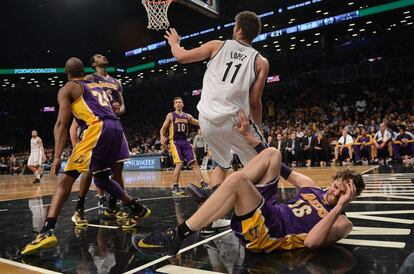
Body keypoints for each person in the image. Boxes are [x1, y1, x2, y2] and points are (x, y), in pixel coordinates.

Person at [131, 111, 365, 256]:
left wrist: (337, 208)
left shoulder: (343, 222)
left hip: (269, 233)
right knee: (274, 154)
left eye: (342, 194)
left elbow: (313, 242)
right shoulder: (312, 186)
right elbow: (281, 169)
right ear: (333, 181)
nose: (335, 193)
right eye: (337, 187)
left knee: (237, 179)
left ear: (349, 198)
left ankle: (177, 235)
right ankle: (217, 194)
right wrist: (249, 137)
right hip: (269, 210)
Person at [21, 57, 150, 256]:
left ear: (67, 73)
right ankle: (136, 207)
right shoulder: (94, 83)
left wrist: (56, 157)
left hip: (98, 128)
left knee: (66, 178)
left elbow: (61, 124)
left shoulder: (69, 87)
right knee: (100, 177)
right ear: (84, 71)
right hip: (117, 128)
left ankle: (47, 231)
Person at [163, 11, 268, 195]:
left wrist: (174, 43)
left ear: (239, 30)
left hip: (206, 120)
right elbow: (254, 102)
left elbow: (181, 57)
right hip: (235, 120)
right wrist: (256, 131)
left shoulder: (217, 46)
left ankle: (214, 213)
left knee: (221, 164)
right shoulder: (261, 61)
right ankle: (257, 211)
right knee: (263, 163)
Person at [70, 53, 128, 227]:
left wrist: (118, 109)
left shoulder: (117, 82)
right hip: (95, 126)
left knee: (118, 166)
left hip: (113, 124)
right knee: (89, 169)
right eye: (98, 56)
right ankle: (80, 207)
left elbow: (123, 106)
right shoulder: (89, 78)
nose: (102, 57)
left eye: (103, 56)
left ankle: (112, 206)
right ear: (93, 63)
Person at [159, 97, 207, 195]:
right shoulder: (171, 115)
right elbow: (163, 128)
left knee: (194, 162)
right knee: (179, 164)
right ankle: (175, 186)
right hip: (175, 142)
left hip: (185, 141)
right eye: (176, 102)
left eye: (180, 102)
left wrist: (208, 122)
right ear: (174, 105)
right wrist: (162, 136)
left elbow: (198, 122)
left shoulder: (187, 116)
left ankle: (203, 183)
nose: (178, 104)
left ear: (183, 104)